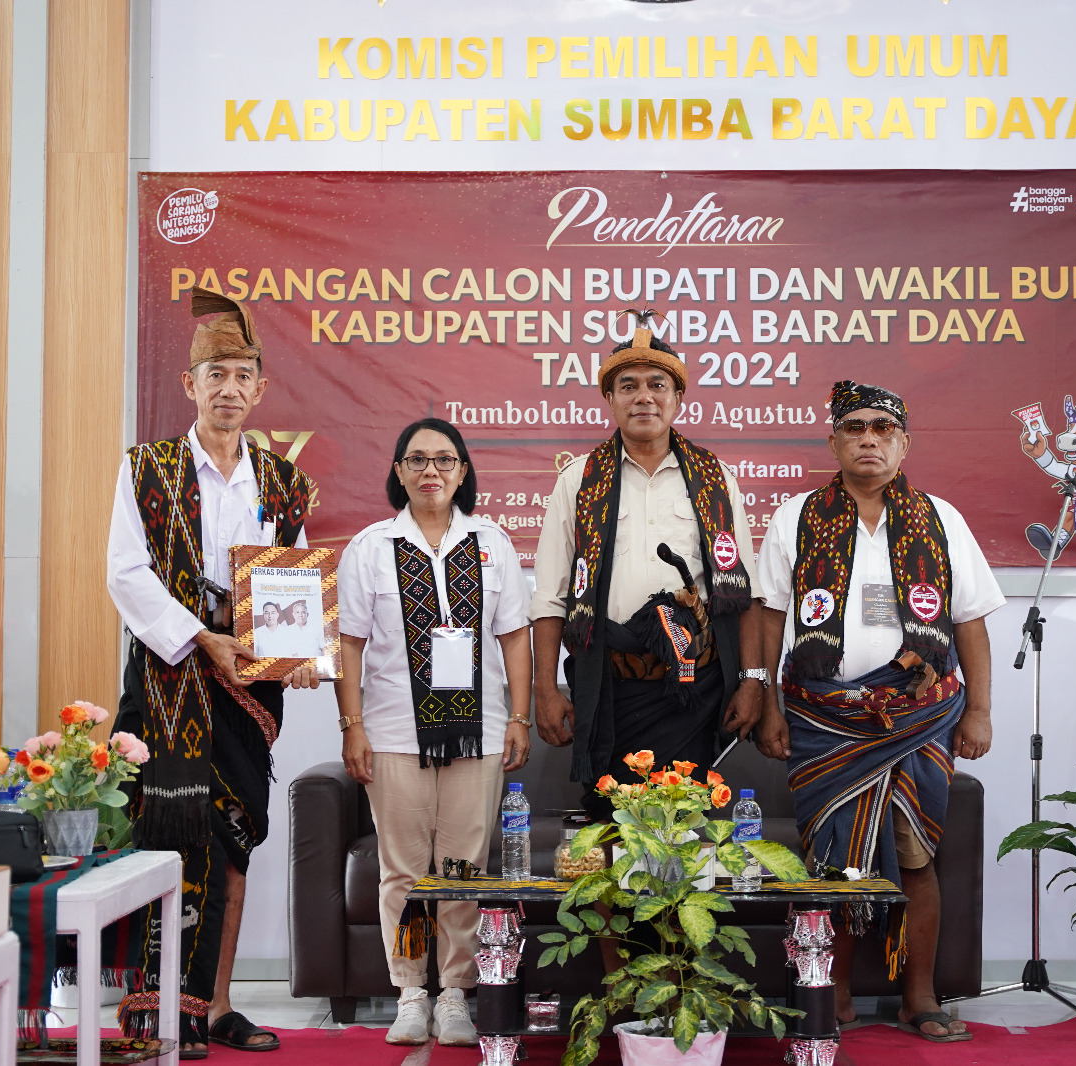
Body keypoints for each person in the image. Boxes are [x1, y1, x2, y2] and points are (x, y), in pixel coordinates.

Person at [756, 382, 1004, 1043]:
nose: (870, 438)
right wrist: (767, 705)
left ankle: (919, 996)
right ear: (833, 441)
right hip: (821, 718)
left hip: (920, 714)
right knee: (833, 856)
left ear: (904, 443)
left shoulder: (940, 518)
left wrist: (978, 710)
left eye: (884, 428)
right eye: (856, 427)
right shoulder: (797, 517)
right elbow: (769, 618)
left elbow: (970, 622)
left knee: (917, 856)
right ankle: (832, 997)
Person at [106, 287, 319, 1056]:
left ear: (261, 391)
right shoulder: (149, 469)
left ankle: (219, 1005)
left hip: (248, 689)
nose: (229, 390)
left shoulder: (284, 483)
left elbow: (288, 584)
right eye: (215, 375)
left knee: (234, 841)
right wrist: (203, 636)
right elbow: (126, 575)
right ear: (190, 386)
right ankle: (156, 1010)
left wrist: (295, 654)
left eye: (243, 377)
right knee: (163, 839)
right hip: (169, 686)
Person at [335, 417, 533, 1048]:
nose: (430, 471)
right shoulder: (370, 548)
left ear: (462, 471)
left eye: (444, 460)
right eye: (416, 460)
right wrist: (352, 726)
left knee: (463, 868)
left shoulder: (492, 543)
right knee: (404, 872)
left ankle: (455, 994)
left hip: (478, 732)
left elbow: (515, 638)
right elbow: (350, 646)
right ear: (398, 472)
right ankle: (410, 992)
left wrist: (520, 716)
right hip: (395, 731)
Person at [529, 313, 765, 809]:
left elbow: (742, 595)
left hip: (692, 690)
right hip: (610, 686)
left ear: (678, 398)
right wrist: (545, 690)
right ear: (609, 399)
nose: (644, 397)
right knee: (612, 831)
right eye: (628, 385)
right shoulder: (577, 480)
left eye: (658, 384)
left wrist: (751, 681)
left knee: (684, 830)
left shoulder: (715, 478)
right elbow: (551, 597)